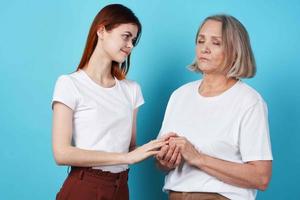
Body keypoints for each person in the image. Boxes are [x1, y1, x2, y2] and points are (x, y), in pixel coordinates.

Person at [51, 4, 167, 200]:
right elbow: (61, 153)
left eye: (134, 40)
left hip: (120, 188)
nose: (130, 45)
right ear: (102, 30)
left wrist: (157, 146)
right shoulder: (69, 84)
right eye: (126, 36)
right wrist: (124, 158)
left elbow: (129, 148)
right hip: (84, 186)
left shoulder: (131, 90)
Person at [156, 14, 273, 200]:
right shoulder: (179, 96)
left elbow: (261, 177)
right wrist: (165, 159)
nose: (205, 48)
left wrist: (198, 158)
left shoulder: (249, 102)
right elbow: (162, 166)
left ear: (235, 51)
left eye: (216, 43)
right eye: (200, 41)